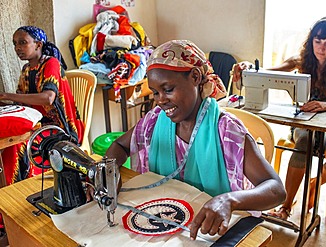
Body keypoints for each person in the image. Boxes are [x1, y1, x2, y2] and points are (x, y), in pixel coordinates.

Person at [105, 40, 286, 240]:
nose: (160, 100)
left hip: (209, 232)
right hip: (164, 224)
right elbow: (119, 145)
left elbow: (276, 189)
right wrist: (109, 173)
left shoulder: (227, 131)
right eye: (155, 92)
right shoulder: (155, 120)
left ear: (195, 77)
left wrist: (230, 200)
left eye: (168, 89)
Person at [234, 16, 326, 220]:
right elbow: (263, 73)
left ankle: (314, 183)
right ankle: (285, 207)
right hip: (304, 123)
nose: (321, 48)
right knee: (304, 143)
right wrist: (247, 68)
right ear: (311, 40)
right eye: (317, 41)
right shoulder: (300, 62)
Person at [0, 26, 84, 184]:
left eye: (23, 42)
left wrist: (6, 95)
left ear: (38, 45)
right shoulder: (26, 69)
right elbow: (21, 101)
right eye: (15, 44)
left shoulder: (51, 63)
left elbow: (48, 98)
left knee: (17, 146)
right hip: (38, 125)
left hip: (59, 128)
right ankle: (11, 193)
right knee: (10, 141)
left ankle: (18, 190)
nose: (17, 47)